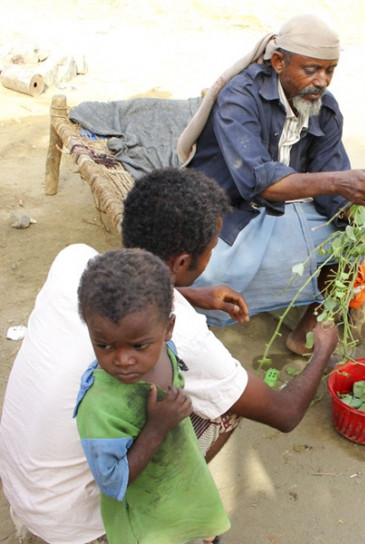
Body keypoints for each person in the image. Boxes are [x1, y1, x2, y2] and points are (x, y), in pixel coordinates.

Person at [0, 167, 338, 544]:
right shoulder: (182, 333)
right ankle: (169, 523)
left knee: (182, 388)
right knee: (224, 403)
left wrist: (190, 294)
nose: (210, 259)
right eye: (211, 250)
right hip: (73, 523)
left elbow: (123, 288)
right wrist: (322, 348)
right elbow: (284, 413)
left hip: (22, 483)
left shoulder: (75, 260)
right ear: (181, 262)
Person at [177, 13, 365, 354]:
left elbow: (333, 187)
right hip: (227, 209)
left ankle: (305, 333)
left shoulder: (326, 109)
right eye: (311, 69)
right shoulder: (239, 98)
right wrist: (338, 181)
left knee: (357, 241)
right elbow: (259, 182)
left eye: (330, 70)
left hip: (284, 208)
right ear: (279, 61)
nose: (322, 81)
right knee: (201, 276)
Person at [75, 249, 229, 543]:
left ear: (167, 329)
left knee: (195, 524)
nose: (122, 360)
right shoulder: (99, 407)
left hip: (179, 480)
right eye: (104, 346)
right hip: (147, 520)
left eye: (138, 345)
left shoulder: (167, 353)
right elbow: (112, 481)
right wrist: (157, 428)